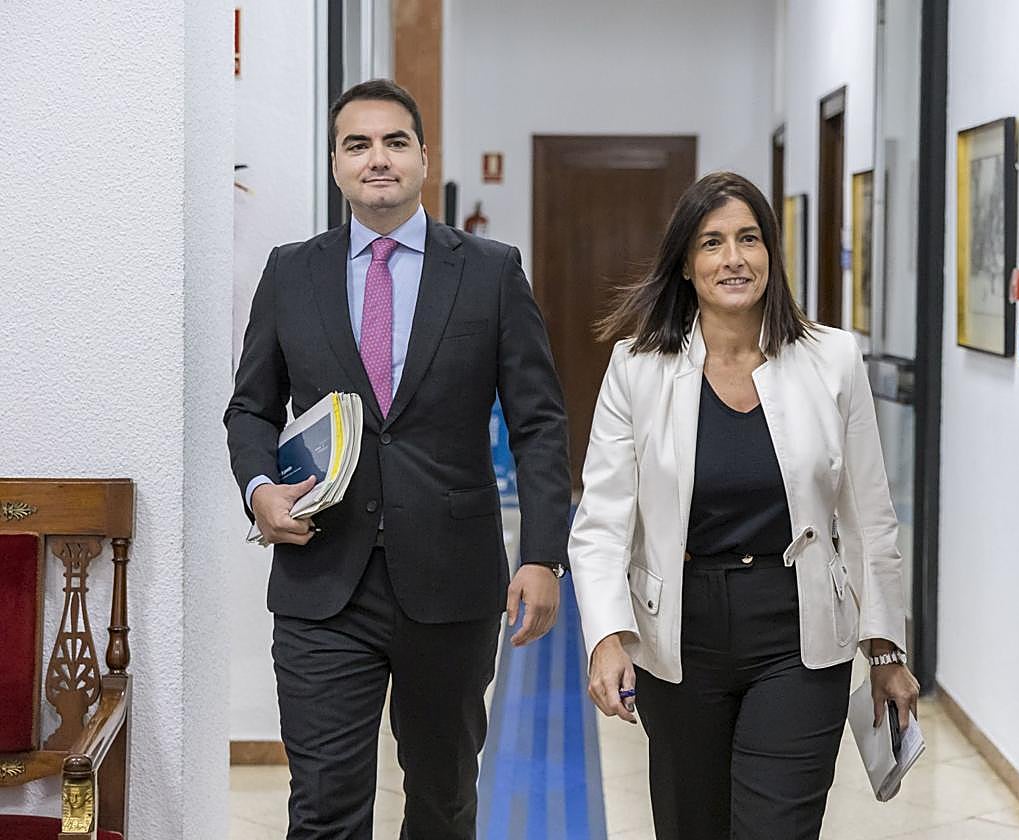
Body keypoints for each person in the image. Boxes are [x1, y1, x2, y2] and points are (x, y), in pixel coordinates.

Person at [225, 79, 570, 839]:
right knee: (323, 807)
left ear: (422, 158)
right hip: (322, 579)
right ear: (336, 165)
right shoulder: (291, 272)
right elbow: (250, 407)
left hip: (452, 582)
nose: (377, 158)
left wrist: (543, 555)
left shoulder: (490, 271)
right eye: (358, 144)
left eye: (394, 142)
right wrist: (259, 489)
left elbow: (540, 423)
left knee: (443, 801)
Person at [569, 172, 919, 839]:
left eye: (748, 239)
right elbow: (602, 523)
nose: (733, 258)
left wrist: (885, 651)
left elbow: (869, 518)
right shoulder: (637, 368)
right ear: (685, 264)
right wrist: (607, 637)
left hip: (798, 632)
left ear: (770, 253)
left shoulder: (832, 359)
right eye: (712, 242)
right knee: (691, 824)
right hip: (680, 632)